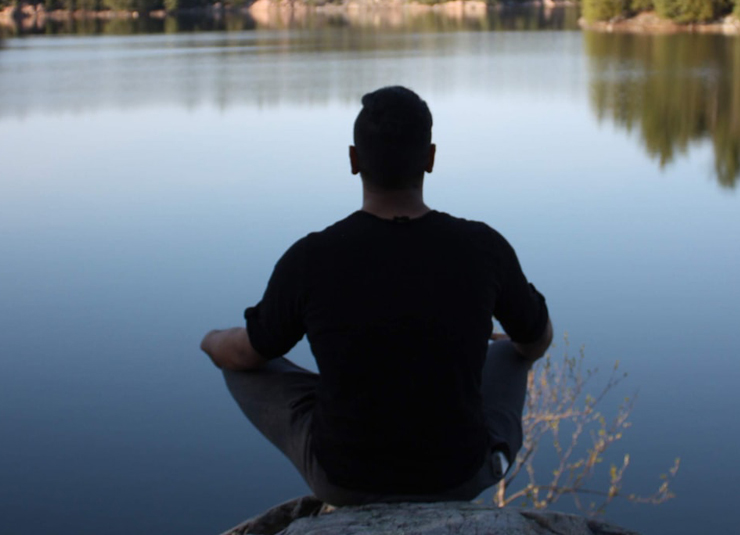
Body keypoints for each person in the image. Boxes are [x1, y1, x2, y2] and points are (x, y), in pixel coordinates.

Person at [201, 85, 552, 506]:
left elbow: (246, 355)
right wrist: (500, 338)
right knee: (511, 352)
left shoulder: (312, 257)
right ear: (430, 158)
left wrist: (211, 340)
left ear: (353, 160)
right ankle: (491, 458)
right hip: (458, 477)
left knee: (239, 363)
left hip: (346, 480)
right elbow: (537, 340)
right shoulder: (483, 247)